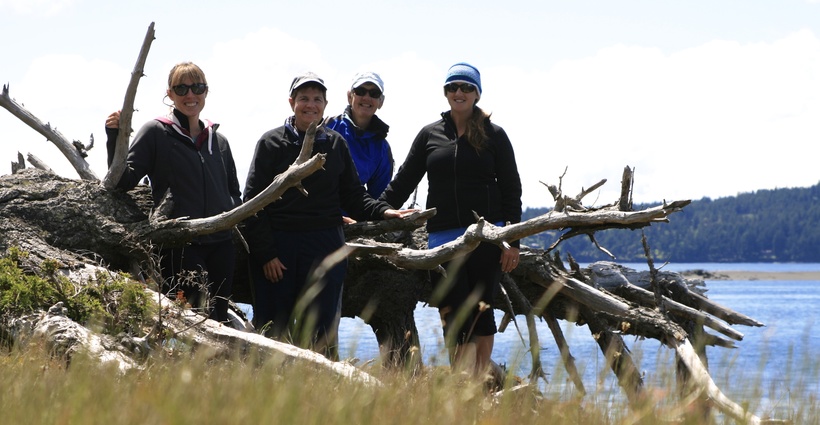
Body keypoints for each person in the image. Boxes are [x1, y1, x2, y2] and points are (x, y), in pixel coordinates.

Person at [242, 71, 414, 358]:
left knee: (321, 334)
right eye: (304, 99)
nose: (310, 105)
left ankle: (319, 393)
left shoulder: (334, 144)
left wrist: (384, 211)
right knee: (272, 332)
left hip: (324, 247)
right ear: (291, 102)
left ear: (325, 104)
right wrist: (266, 254)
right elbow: (252, 203)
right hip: (278, 249)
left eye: (317, 99)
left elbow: (354, 195)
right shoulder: (271, 143)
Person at [380, 62, 522, 378]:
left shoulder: (494, 135)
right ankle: (462, 377)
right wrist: (376, 212)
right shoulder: (430, 134)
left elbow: (512, 189)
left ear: (476, 94)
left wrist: (512, 240)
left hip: (487, 237)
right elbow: (403, 182)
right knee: (451, 312)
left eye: (466, 87)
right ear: (446, 93)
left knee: (481, 311)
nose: (459, 92)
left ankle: (479, 379)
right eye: (453, 87)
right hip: (443, 241)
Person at [105, 62, 242, 324]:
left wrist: (229, 212)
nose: (190, 95)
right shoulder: (156, 132)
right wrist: (115, 136)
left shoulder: (218, 140)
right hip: (179, 245)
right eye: (182, 88)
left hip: (221, 245)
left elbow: (233, 190)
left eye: (197, 87)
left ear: (206, 91)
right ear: (170, 94)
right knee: (192, 321)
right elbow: (122, 180)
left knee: (219, 318)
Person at [324, 72, 393, 203]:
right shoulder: (328, 127)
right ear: (350, 96)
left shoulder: (382, 148)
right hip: (319, 213)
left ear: (381, 101)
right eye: (361, 91)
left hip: (354, 219)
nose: (367, 98)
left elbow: (379, 196)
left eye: (374, 93)